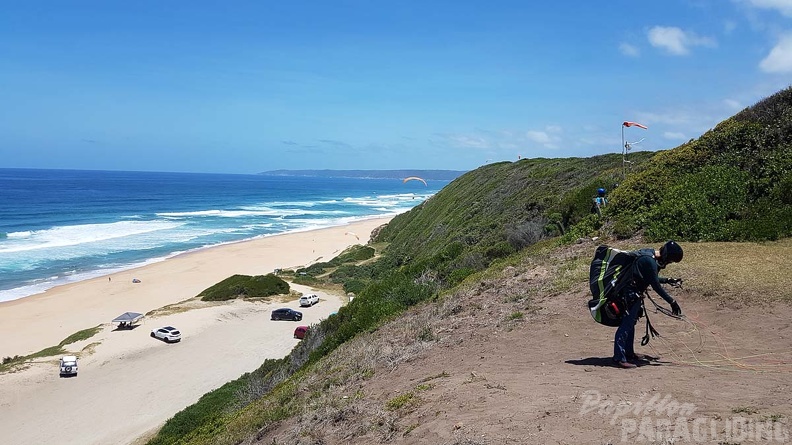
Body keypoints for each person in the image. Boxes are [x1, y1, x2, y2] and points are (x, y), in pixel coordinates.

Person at [613, 240, 684, 369]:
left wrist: (668, 280)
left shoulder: (649, 255)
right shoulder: (649, 261)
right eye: (670, 261)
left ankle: (629, 353)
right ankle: (619, 357)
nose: (668, 263)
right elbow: (655, 285)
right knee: (627, 324)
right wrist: (672, 302)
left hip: (633, 294)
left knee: (631, 323)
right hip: (631, 295)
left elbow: (651, 277)